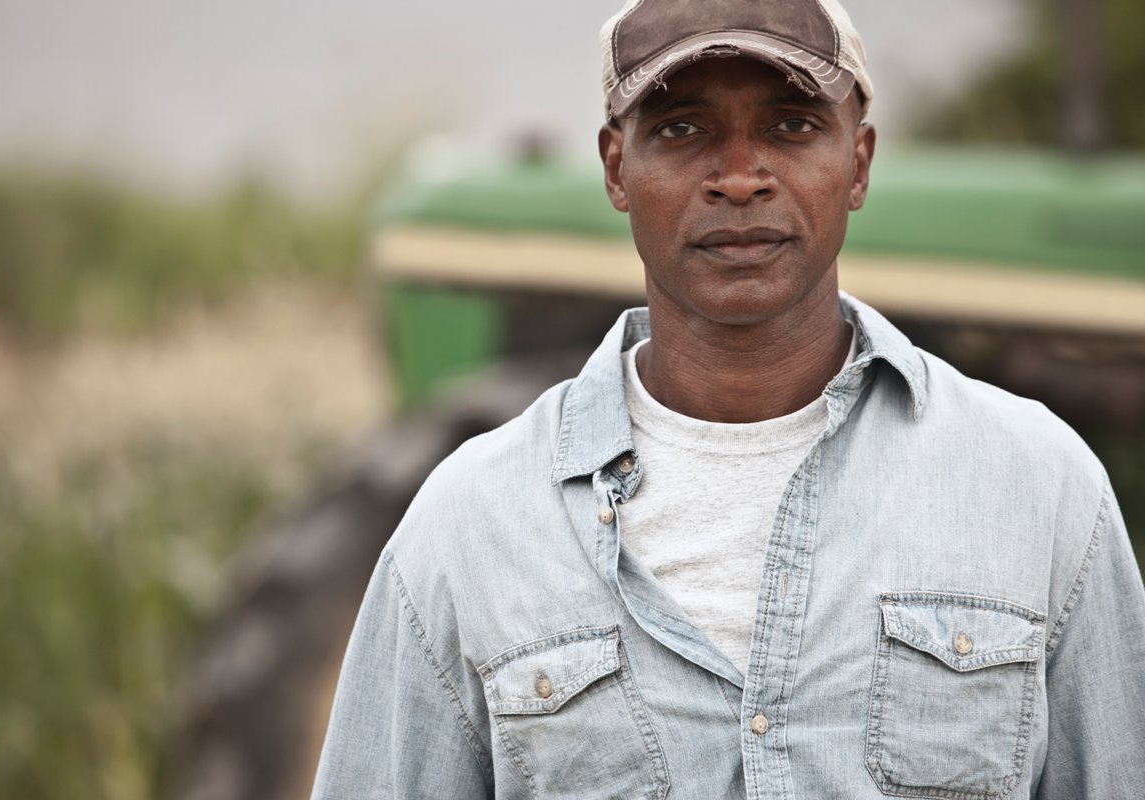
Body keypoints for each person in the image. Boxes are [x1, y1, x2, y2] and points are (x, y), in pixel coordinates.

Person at [311, 1, 1145, 797]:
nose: (741, 177)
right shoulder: (469, 526)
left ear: (857, 164)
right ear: (615, 169)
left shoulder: (1039, 487)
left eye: (791, 124)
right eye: (682, 128)